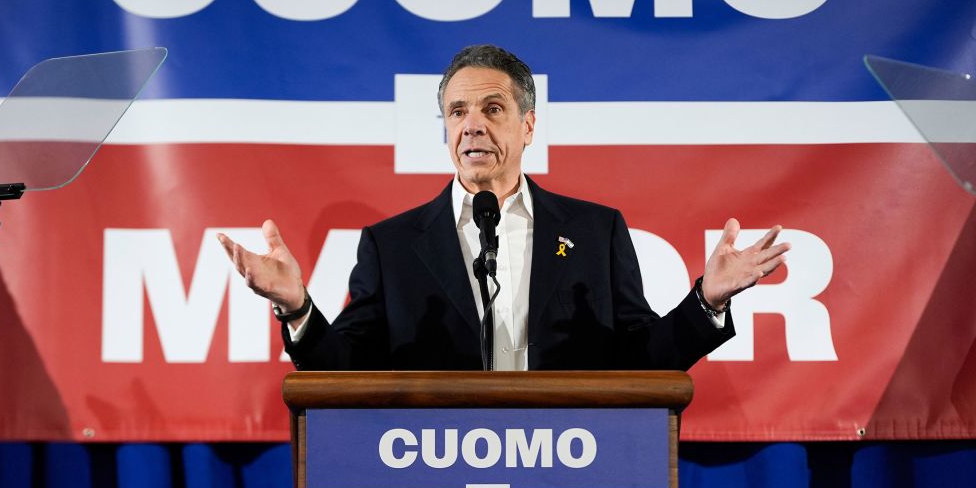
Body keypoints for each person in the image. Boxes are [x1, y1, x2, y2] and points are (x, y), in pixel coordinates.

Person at [218, 45, 789, 371]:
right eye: (458, 110)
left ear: (528, 124)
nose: (472, 125)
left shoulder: (594, 230)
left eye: (493, 108)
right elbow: (348, 372)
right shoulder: (390, 247)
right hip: (432, 483)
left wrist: (706, 301)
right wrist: (298, 310)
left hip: (572, 475)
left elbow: (642, 361)